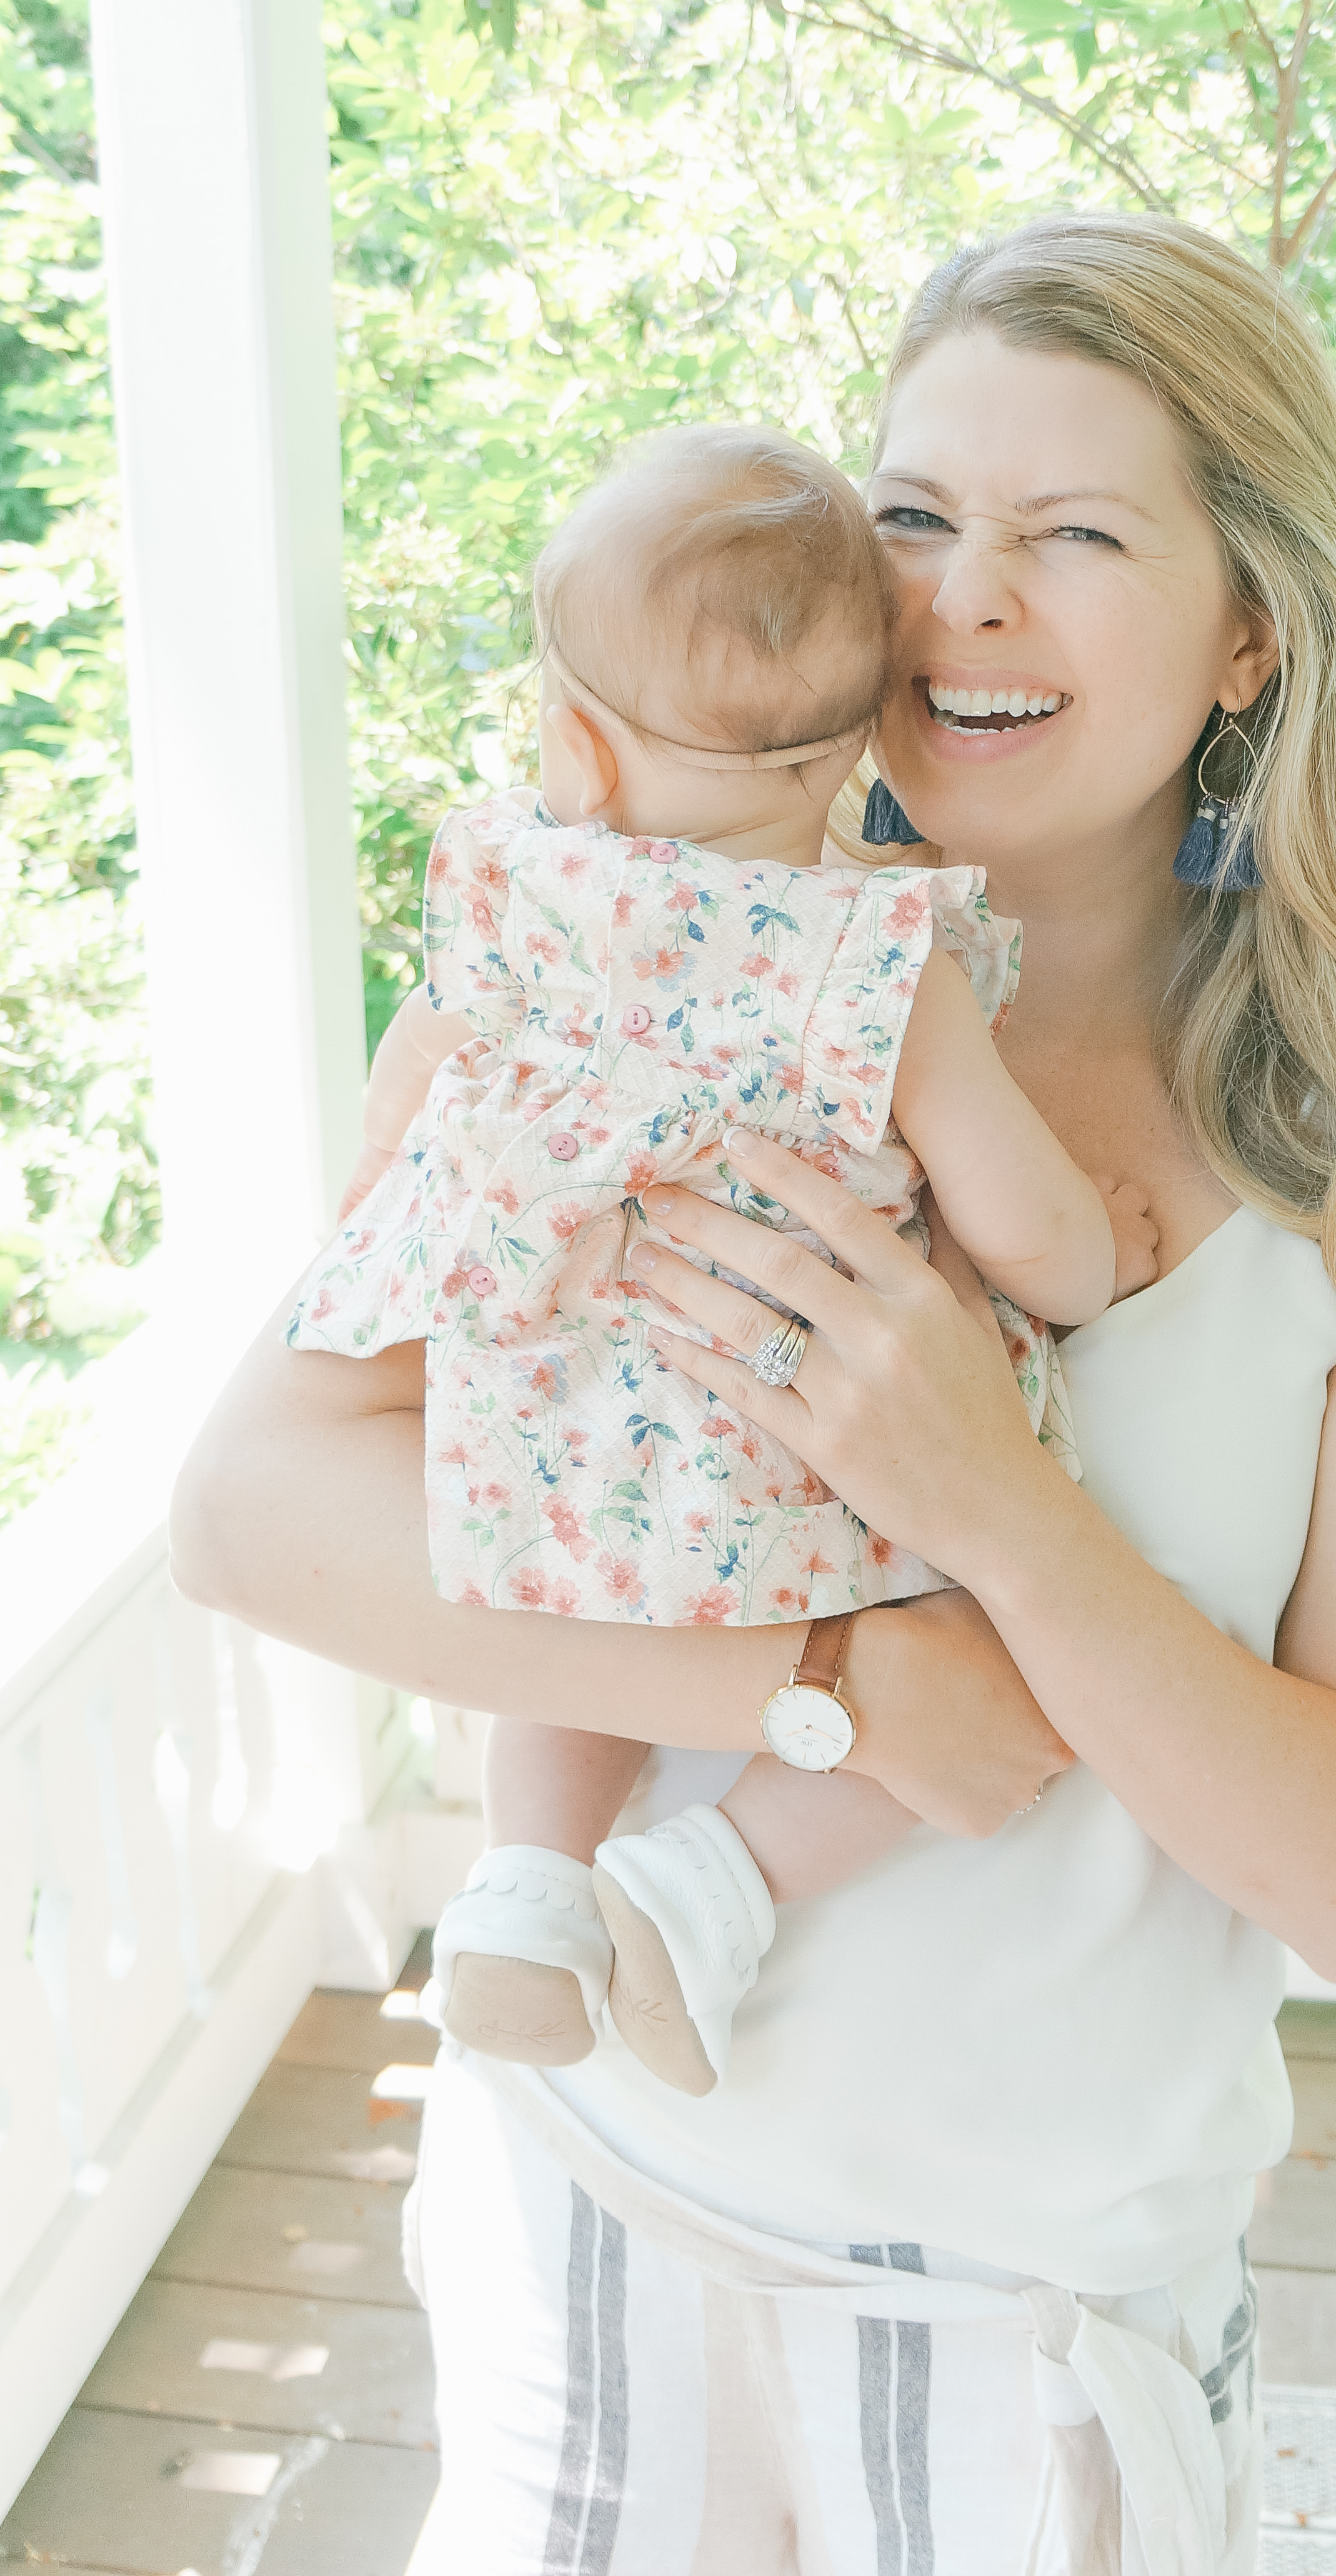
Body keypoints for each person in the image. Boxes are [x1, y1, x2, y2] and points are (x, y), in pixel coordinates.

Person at [171, 211, 1336, 2576]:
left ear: (1250, 631)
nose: (959, 602)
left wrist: (1001, 1510)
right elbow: (254, 1511)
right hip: (594, 2212)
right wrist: (838, 1682)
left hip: (1035, 2327)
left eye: (1075, 536)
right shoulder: (618, 967)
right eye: (915, 514)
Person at [283, 421, 1152, 2095]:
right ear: (860, 745)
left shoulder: (517, 900)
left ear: (580, 754)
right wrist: (1096, 1246)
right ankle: (711, 1885)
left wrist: (394, 1242)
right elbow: (1038, 1243)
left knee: (559, 1612)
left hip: (562, 1414)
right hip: (800, 1434)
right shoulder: (875, 960)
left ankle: (526, 1888)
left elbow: (406, 1117)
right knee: (994, 1649)